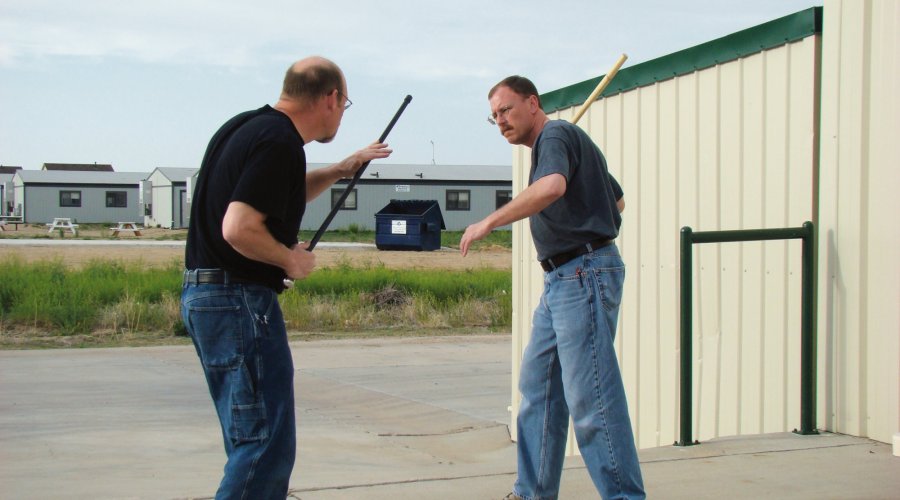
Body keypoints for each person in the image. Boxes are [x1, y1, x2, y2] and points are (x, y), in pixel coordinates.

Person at [181, 56, 391, 499]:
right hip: (238, 301)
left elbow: (276, 193)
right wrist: (288, 260)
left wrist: (338, 169)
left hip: (207, 296)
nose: (341, 113)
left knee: (248, 441)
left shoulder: (247, 127)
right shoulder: (280, 143)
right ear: (331, 98)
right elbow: (238, 227)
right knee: (265, 447)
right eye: (345, 103)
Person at [460, 76, 645, 500]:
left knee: (591, 397)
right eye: (494, 117)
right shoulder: (554, 145)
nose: (501, 121)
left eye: (506, 110)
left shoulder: (556, 134)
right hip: (562, 279)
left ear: (532, 103)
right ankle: (532, 493)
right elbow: (616, 200)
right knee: (539, 388)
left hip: (583, 273)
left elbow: (553, 186)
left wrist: (489, 220)